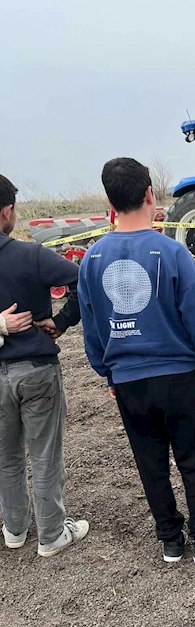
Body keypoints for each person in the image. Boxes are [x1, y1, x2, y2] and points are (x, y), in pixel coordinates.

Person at [77, 158, 195, 565]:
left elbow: (91, 328)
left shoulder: (91, 260)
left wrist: (107, 371)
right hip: (180, 376)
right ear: (149, 194)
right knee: (194, 456)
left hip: (128, 380)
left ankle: (170, 539)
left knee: (150, 460)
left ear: (109, 201)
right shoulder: (172, 252)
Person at [0, 174, 89, 556]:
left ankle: (15, 530)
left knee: (6, 457)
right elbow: (84, 279)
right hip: (36, 368)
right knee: (45, 454)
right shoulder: (29, 254)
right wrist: (63, 319)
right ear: (7, 212)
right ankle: (52, 534)